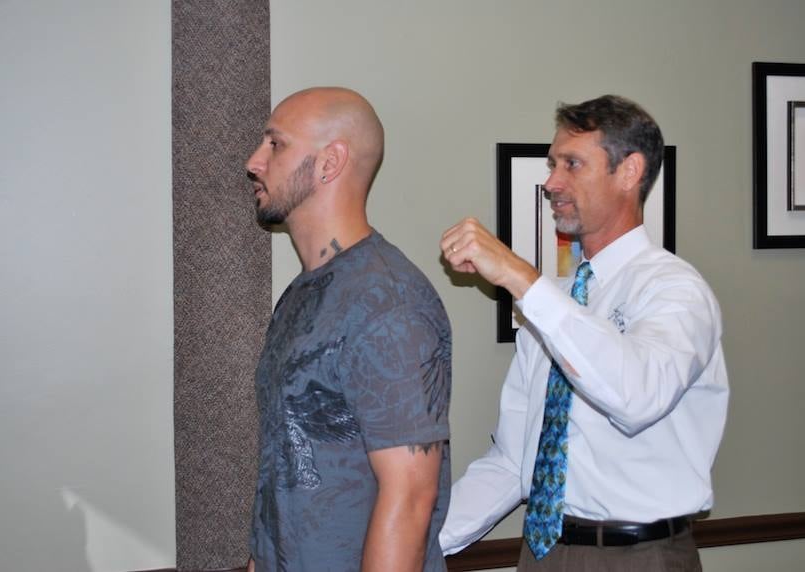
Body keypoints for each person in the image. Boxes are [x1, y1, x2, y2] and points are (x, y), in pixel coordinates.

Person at [438, 95, 728, 571]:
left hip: (640, 557)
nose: (551, 183)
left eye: (572, 164)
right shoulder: (553, 301)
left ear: (629, 172)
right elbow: (514, 461)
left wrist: (518, 275)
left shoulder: (676, 292)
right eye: (552, 165)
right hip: (543, 553)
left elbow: (635, 397)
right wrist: (418, 544)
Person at [245, 87, 452, 572]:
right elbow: (281, 471)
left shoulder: (388, 301)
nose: (254, 162)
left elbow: (410, 497)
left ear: (330, 162)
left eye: (275, 144)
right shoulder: (302, 293)